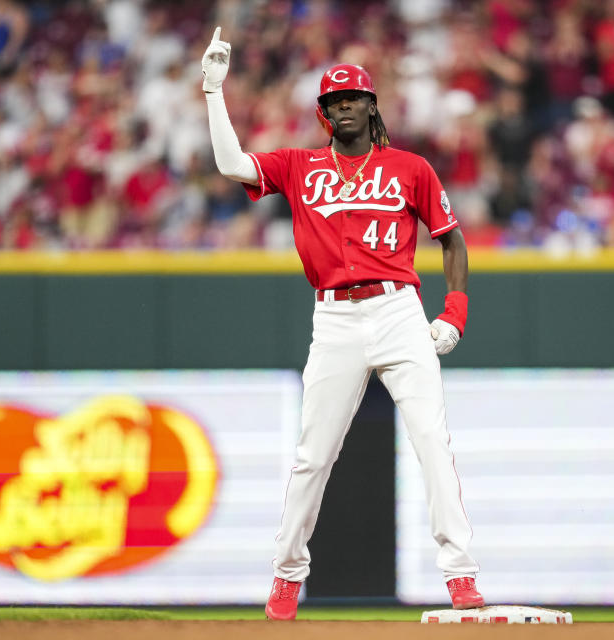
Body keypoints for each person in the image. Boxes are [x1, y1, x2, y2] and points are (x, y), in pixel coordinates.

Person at [202, 27, 483, 620]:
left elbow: (451, 241)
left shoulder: (410, 167)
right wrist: (213, 90)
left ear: (372, 104)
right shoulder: (300, 166)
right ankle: (285, 577)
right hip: (333, 317)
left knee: (432, 438)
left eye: (353, 97)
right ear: (323, 114)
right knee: (313, 455)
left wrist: (452, 312)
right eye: (333, 101)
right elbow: (230, 164)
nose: (344, 106)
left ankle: (460, 576)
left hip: (398, 307)